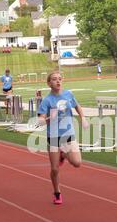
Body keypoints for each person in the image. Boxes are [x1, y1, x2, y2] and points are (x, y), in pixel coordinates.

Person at [38, 71, 89, 205]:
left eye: (60, 79)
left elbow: (77, 106)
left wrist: (83, 118)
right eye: (54, 79)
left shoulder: (68, 94)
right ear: (49, 83)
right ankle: (57, 193)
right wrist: (49, 118)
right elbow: (40, 121)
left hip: (68, 134)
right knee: (55, 169)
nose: (58, 81)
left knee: (77, 163)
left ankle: (63, 155)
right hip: (54, 137)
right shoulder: (47, 100)